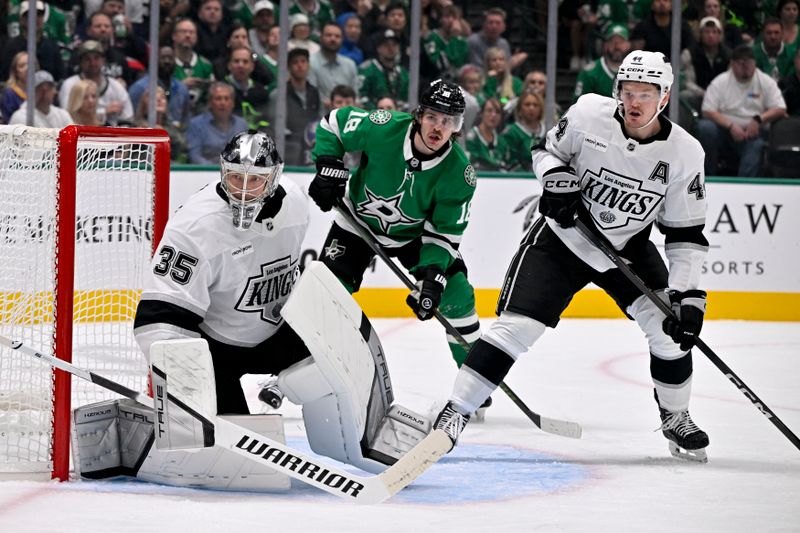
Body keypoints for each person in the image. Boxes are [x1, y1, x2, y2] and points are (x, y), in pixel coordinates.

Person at [434, 51, 714, 464]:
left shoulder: (685, 153)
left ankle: (675, 417)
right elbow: (544, 150)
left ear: (665, 97)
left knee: (670, 333)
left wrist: (687, 295)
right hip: (563, 241)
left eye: (646, 93)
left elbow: (685, 233)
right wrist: (555, 180)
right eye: (627, 91)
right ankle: (455, 412)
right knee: (516, 330)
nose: (634, 102)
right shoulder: (587, 114)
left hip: (627, 247)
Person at [308, 79, 484, 388]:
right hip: (356, 224)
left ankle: (475, 383)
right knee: (326, 294)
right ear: (418, 115)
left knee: (457, 295)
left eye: (449, 121)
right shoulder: (383, 126)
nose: (438, 128)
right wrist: (328, 166)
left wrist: (431, 276)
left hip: (414, 237)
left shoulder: (460, 174)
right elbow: (332, 124)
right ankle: (303, 369)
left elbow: (443, 233)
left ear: (458, 127)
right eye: (432, 117)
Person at [699, 44, 787, 176]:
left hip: (754, 133)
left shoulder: (765, 81)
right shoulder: (721, 81)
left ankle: (745, 186)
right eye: (741, 63)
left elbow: (780, 108)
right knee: (705, 127)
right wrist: (730, 125)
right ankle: (708, 176)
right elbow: (707, 110)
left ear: (755, 63)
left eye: (749, 63)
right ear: (732, 64)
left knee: (757, 146)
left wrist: (759, 119)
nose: (745, 67)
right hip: (725, 132)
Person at [59, 40, 134, 126]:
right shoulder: (70, 85)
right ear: (80, 62)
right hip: (80, 133)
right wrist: (104, 112)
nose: (92, 63)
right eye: (87, 59)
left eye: (96, 58)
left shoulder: (116, 86)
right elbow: (66, 116)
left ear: (103, 60)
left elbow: (128, 118)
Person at [186, 81, 248, 164]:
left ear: (233, 103)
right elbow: (195, 157)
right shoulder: (196, 124)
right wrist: (216, 169)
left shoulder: (241, 124)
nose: (223, 103)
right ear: (210, 103)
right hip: (205, 173)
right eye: (218, 98)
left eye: (226, 98)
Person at [680, 16, 731, 110]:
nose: (710, 35)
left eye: (714, 32)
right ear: (700, 34)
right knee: (685, 96)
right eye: (706, 32)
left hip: (722, 98)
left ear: (720, 35)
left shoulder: (729, 55)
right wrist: (704, 93)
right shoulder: (689, 53)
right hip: (699, 95)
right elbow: (687, 82)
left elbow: (731, 81)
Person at [572, 24, 631, 103]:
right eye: (612, 42)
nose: (617, 46)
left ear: (628, 45)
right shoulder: (589, 73)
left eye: (621, 42)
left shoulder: (636, 71)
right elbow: (577, 105)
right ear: (605, 45)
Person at [309, 22, 359, 110]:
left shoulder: (350, 65)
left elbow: (355, 95)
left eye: (337, 36)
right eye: (329, 35)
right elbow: (311, 94)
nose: (333, 39)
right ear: (321, 38)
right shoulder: (310, 63)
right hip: (319, 118)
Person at [9, 70, 73, 128]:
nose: (55, 92)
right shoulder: (20, 117)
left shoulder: (62, 115)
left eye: (50, 87)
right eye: (40, 89)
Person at [502, 89, 547, 171]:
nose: (531, 108)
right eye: (527, 104)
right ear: (519, 109)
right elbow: (508, 162)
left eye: (535, 105)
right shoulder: (511, 132)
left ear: (541, 109)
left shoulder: (548, 131)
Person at [464, 97, 508, 171]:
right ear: (482, 113)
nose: (493, 115)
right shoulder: (471, 138)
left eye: (497, 112)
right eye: (489, 110)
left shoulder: (501, 141)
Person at [0, 51, 29, 123]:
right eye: (22, 66)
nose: (27, 68)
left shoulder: (41, 90)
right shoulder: (9, 93)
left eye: (30, 64)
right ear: (15, 71)